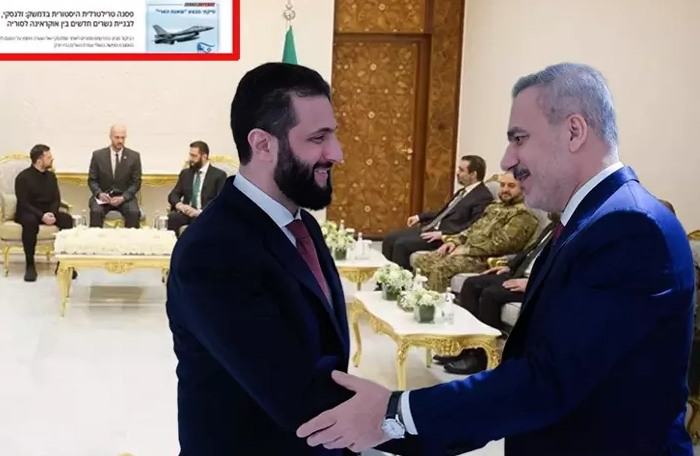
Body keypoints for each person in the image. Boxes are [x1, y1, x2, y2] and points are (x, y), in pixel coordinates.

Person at [296, 63, 695, 455]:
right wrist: (396, 421)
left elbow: (546, 381)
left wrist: (396, 414)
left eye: (519, 138)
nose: (506, 160)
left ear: (574, 131)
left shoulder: (629, 227)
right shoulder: (595, 219)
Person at [166, 63, 417, 456]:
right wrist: (434, 419)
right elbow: (300, 397)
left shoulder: (301, 224)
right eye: (318, 138)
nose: (337, 153)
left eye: (333, 134)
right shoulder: (213, 251)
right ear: (263, 144)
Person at [437, 213, 559, 375]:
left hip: (538, 284)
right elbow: (529, 251)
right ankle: (464, 347)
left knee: (491, 294)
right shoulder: (553, 227)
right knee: (472, 284)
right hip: (519, 274)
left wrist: (531, 282)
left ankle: (481, 357)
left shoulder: (572, 234)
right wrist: (509, 266)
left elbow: (562, 269)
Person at [411, 172, 538, 290]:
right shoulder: (495, 207)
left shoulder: (523, 215)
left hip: (486, 259)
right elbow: (473, 228)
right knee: (423, 260)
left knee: (440, 269)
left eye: (511, 186)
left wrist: (466, 250)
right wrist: (454, 241)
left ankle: (438, 304)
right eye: (502, 185)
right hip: (468, 251)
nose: (505, 189)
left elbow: (501, 245)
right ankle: (420, 300)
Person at [381, 156, 493, 270]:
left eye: (461, 170)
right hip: (431, 228)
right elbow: (445, 212)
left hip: (445, 236)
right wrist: (420, 217)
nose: (457, 173)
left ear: (473, 174)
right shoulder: (463, 191)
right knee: (389, 238)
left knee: (401, 244)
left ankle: (401, 280)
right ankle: (384, 278)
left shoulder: (483, 197)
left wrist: (444, 234)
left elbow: (474, 226)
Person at [14, 144, 73, 282]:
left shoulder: (51, 176)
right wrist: (42, 216)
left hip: (48, 212)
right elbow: (24, 203)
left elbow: (56, 199)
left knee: (67, 220)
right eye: (49, 157)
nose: (52, 159)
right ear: (39, 160)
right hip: (29, 212)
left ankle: (63, 264)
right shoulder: (23, 177)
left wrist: (51, 213)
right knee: (29, 222)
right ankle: (30, 265)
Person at [167, 140, 228, 237]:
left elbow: (220, 201)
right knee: (173, 218)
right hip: (187, 214)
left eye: (194, 156)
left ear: (204, 156)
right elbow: (173, 195)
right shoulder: (186, 173)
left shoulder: (219, 175)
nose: (190, 159)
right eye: (190, 155)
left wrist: (198, 212)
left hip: (205, 214)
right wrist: (180, 205)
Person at [86, 124, 143, 228]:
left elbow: (136, 183)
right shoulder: (98, 155)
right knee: (96, 211)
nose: (120, 141)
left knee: (134, 212)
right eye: (117, 137)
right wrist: (99, 193)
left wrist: (123, 197)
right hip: (103, 197)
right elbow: (92, 180)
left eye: (123, 138)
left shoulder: (134, 157)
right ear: (110, 137)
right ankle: (96, 238)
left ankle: (130, 238)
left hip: (125, 197)